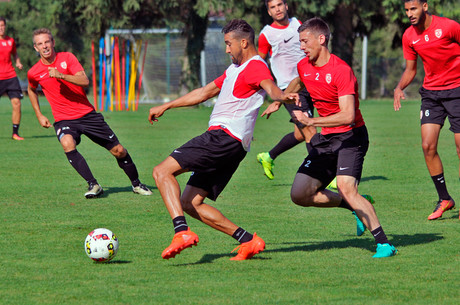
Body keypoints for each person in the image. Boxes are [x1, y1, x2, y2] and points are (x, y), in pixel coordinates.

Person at [149, 19, 297, 261]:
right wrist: (167, 105)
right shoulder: (233, 69)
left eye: (229, 44)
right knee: (189, 202)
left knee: (161, 172)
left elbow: (271, 87)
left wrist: (281, 97)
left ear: (243, 42)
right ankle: (248, 240)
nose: (227, 49)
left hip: (222, 137)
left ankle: (181, 232)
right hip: (232, 146)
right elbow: (204, 92)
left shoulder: (255, 66)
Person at [267, 17, 397, 257]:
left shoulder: (341, 70)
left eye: (305, 41)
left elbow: (347, 115)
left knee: (347, 187)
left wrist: (311, 121)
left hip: (351, 137)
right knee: (299, 194)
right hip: (327, 139)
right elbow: (299, 81)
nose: (302, 46)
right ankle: (354, 206)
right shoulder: (304, 65)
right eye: (300, 41)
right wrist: (280, 100)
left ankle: (384, 244)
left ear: (322, 39)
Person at [27, 28, 152, 198]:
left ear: (53, 42)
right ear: (36, 48)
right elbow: (31, 89)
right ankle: (93, 184)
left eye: (47, 42)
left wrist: (61, 75)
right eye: (40, 44)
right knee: (67, 144)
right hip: (64, 119)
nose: (45, 46)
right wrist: (39, 115)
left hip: (87, 114)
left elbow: (84, 80)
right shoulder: (34, 72)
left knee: (119, 151)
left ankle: (136, 184)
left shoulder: (67, 58)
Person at [393, 0, 460, 220]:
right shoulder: (409, 36)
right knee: (427, 146)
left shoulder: (449, 27)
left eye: (413, 9)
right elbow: (411, 69)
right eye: (406, 10)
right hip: (431, 94)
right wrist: (399, 87)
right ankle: (445, 199)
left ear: (424, 6)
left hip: (457, 90)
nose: (409, 14)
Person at [255, 0, 317, 181]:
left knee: (301, 132)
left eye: (280, 4)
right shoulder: (266, 34)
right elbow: (259, 63)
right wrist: (269, 90)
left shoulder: (298, 25)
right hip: (287, 89)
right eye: (273, 7)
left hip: (307, 84)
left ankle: (269, 156)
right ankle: (321, 175)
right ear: (269, 11)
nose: (278, 9)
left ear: (286, 6)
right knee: (309, 130)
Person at [0, 17, 24, 140]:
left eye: (3, 25)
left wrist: (18, 62)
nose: (1, 28)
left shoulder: (11, 41)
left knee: (17, 104)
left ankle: (15, 133)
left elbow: (14, 53)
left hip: (10, 76)